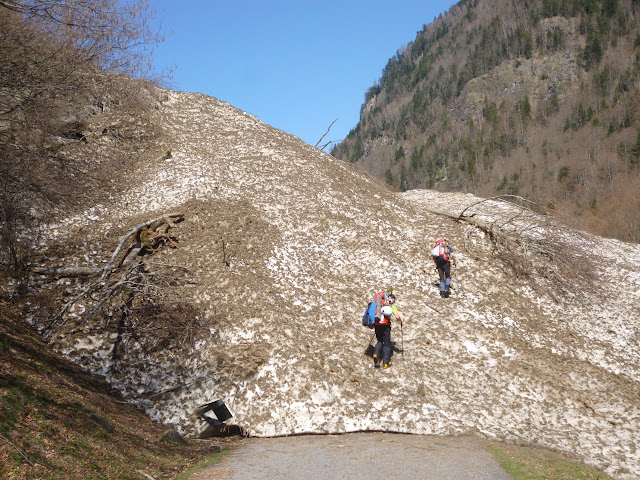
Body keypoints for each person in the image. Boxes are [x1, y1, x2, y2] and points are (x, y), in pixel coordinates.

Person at [372, 304, 404, 369]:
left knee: (380, 341)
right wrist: (401, 319)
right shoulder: (392, 305)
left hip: (377, 324)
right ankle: (385, 362)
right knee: (387, 344)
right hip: (385, 326)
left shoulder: (380, 303)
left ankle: (376, 353)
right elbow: (397, 317)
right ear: (393, 299)